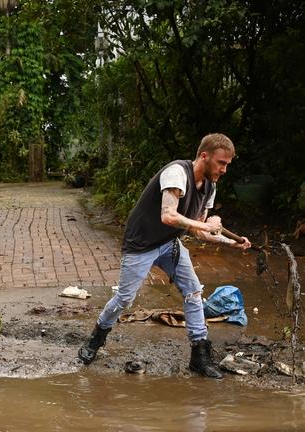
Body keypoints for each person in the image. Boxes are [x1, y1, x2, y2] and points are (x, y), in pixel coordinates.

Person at [78, 133, 251, 379]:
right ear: (204, 156)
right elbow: (168, 215)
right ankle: (96, 338)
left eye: (227, 165)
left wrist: (230, 242)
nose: (224, 170)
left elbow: (197, 229)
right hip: (142, 245)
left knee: (193, 292)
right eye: (221, 163)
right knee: (125, 299)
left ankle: (199, 355)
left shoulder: (210, 186)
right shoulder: (176, 173)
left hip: (170, 243)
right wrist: (207, 226)